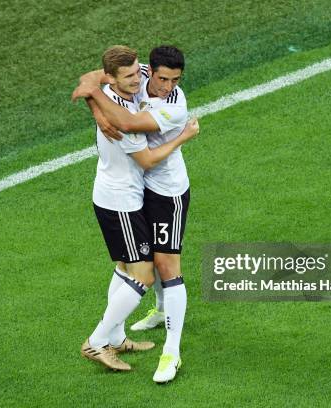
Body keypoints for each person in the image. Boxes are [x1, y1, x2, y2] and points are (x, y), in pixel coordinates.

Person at [73, 45, 199, 373]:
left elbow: (94, 83)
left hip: (162, 192)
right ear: (149, 71)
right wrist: (98, 108)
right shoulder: (122, 110)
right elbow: (140, 149)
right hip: (125, 197)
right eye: (161, 78)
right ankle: (98, 341)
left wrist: (95, 100)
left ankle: (143, 343)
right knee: (142, 271)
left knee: (152, 266)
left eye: (175, 80)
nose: (167, 86)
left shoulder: (170, 104)